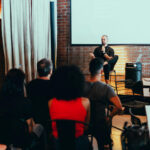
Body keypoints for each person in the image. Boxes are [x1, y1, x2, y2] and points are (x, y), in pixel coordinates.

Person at [84, 58, 124, 150]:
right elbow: (119, 107)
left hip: (83, 124)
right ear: (102, 71)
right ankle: (105, 144)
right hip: (100, 124)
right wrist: (110, 116)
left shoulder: (80, 85)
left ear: (89, 70)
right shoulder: (106, 88)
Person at [48, 65, 90, 150]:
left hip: (57, 144)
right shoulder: (86, 102)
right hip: (78, 144)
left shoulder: (51, 102)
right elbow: (86, 127)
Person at [0, 69, 43, 149]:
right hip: (20, 141)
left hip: (3, 140)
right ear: (20, 84)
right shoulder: (25, 102)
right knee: (39, 127)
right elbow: (30, 128)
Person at [27, 58, 53, 149]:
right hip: (50, 121)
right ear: (50, 71)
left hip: (34, 119)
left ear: (37, 71)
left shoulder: (30, 85)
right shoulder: (54, 85)